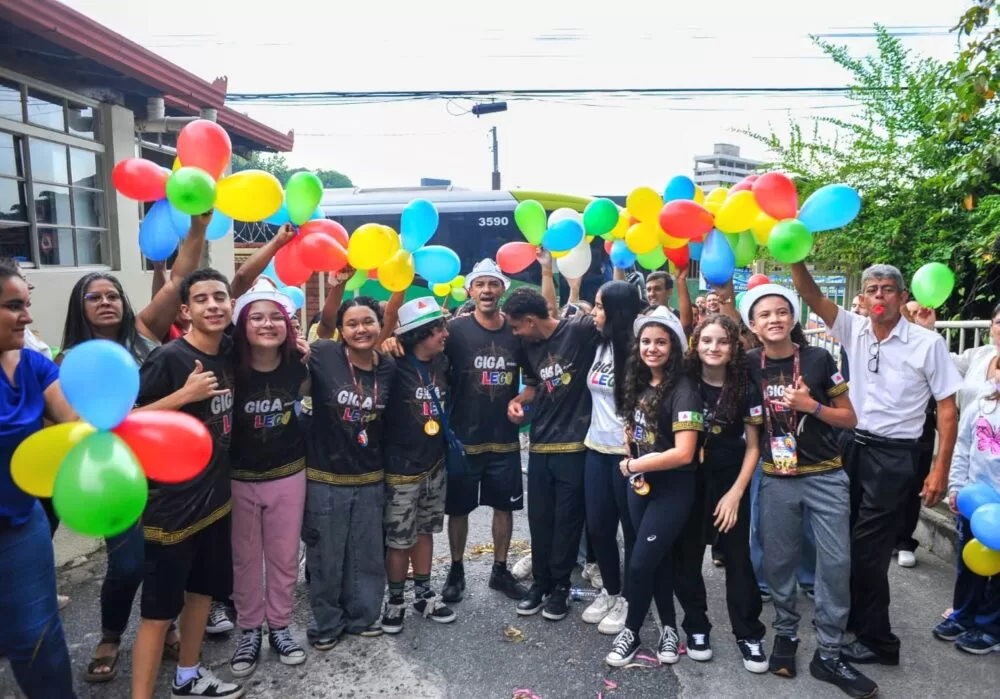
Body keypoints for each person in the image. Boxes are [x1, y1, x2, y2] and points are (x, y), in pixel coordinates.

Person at [57, 215, 207, 682]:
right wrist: (177, 399)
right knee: (127, 562)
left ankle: (161, 628)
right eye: (94, 297)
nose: (105, 302)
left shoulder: (143, 334)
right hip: (111, 475)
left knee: (168, 556)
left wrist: (199, 226)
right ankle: (109, 634)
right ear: (78, 309)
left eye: (112, 295)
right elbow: (96, 429)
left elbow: (180, 278)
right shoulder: (66, 365)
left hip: (164, 469)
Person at [791, 262, 962, 666]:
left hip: (895, 455)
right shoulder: (855, 328)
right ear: (863, 298)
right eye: (872, 290)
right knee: (843, 539)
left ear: (903, 297)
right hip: (851, 445)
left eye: (888, 289)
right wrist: (795, 253)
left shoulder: (926, 344)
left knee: (869, 550)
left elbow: (948, 410)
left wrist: (940, 468)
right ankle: (851, 619)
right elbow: (812, 296)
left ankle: (880, 642)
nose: (879, 296)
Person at [740, 284, 878, 698]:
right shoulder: (746, 365)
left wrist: (811, 406)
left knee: (835, 564)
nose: (775, 319)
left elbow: (850, 418)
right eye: (764, 315)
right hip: (776, 478)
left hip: (826, 477)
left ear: (794, 316)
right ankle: (786, 634)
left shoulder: (819, 359)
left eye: (782, 311)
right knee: (780, 562)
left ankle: (830, 652)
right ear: (753, 325)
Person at [131, 268, 242, 699]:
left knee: (202, 593)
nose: (213, 305)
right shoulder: (169, 358)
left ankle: (188, 676)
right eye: (202, 299)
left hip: (215, 500)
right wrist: (183, 396)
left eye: (221, 296)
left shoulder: (230, 350)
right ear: (185, 310)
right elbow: (124, 422)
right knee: (159, 614)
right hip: (171, 508)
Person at [604, 307, 700, 667]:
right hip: (640, 486)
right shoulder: (641, 384)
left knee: (640, 564)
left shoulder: (685, 391)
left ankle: (631, 631)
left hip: (671, 491)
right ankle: (670, 629)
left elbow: (684, 452)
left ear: (674, 348)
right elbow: (638, 430)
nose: (652, 348)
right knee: (654, 561)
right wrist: (632, 443)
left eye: (661, 342)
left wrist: (632, 464)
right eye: (646, 341)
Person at [303, 277, 397, 648]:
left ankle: (363, 617)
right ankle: (326, 624)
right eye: (353, 324)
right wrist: (336, 288)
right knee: (326, 554)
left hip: (371, 474)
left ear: (379, 324)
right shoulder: (324, 354)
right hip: (326, 475)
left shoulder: (388, 365)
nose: (361, 329)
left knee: (368, 553)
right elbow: (321, 324)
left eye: (368, 322)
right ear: (342, 331)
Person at [0, 261, 78, 698]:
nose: (27, 317)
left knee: (40, 640)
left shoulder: (33, 365)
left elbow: (75, 420)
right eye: (14, 306)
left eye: (25, 305)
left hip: (20, 524)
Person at [228, 278, 310, 677]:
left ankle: (279, 625)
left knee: (283, 557)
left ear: (288, 324)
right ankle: (248, 629)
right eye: (256, 317)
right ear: (242, 325)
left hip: (288, 474)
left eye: (275, 317)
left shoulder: (299, 364)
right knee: (243, 559)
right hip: (236, 478)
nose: (266, 324)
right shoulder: (226, 366)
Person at [505, 286, 600, 621]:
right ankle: (541, 584)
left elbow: (612, 317)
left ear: (531, 320)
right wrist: (518, 402)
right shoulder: (525, 346)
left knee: (568, 520)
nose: (514, 333)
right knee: (540, 519)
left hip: (576, 445)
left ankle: (560, 587)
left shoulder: (578, 330)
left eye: (516, 326)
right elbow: (532, 388)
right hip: (540, 444)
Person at [438, 260, 528, 604]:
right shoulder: (453, 331)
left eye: (493, 284)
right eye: (481, 285)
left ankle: (499, 570)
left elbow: (531, 378)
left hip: (504, 438)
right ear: (469, 291)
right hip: (463, 439)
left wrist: (521, 400)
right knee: (458, 510)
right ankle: (456, 570)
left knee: (504, 508)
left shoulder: (515, 331)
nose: (487, 290)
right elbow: (427, 357)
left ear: (502, 290)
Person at [683, 313, 769, 673]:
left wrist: (735, 494)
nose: (713, 348)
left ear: (734, 347)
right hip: (687, 479)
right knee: (686, 557)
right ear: (696, 344)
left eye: (721, 341)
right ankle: (696, 626)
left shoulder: (746, 387)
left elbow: (753, 447)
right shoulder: (683, 383)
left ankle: (749, 633)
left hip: (730, 479)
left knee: (737, 557)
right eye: (706, 340)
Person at [382, 297, 457, 633]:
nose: (445, 333)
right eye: (438, 329)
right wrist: (386, 341)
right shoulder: (393, 365)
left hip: (434, 464)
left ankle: (424, 595)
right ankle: (395, 600)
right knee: (399, 539)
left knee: (425, 531)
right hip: (400, 468)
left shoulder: (442, 364)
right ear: (419, 335)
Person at [580, 280, 644, 635]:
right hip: (595, 449)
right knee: (600, 527)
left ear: (618, 311)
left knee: (632, 530)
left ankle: (630, 599)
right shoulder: (598, 343)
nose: (595, 312)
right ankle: (610, 589)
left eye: (601, 306)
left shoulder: (638, 351)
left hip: (628, 457)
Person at [933, 377, 1000, 654]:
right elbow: (963, 446)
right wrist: (957, 486)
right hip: (976, 501)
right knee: (969, 562)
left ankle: (990, 629)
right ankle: (963, 615)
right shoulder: (982, 404)